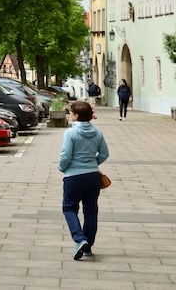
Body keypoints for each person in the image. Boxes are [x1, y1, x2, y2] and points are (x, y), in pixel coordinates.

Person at [58, 100, 109, 261]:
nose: (70, 114)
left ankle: (80, 239)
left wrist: (62, 167)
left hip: (73, 177)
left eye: (71, 112)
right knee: (91, 210)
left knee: (69, 208)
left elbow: (66, 155)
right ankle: (88, 244)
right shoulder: (98, 132)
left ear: (77, 116)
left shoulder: (70, 133)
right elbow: (104, 153)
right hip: (93, 176)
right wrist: (93, 163)